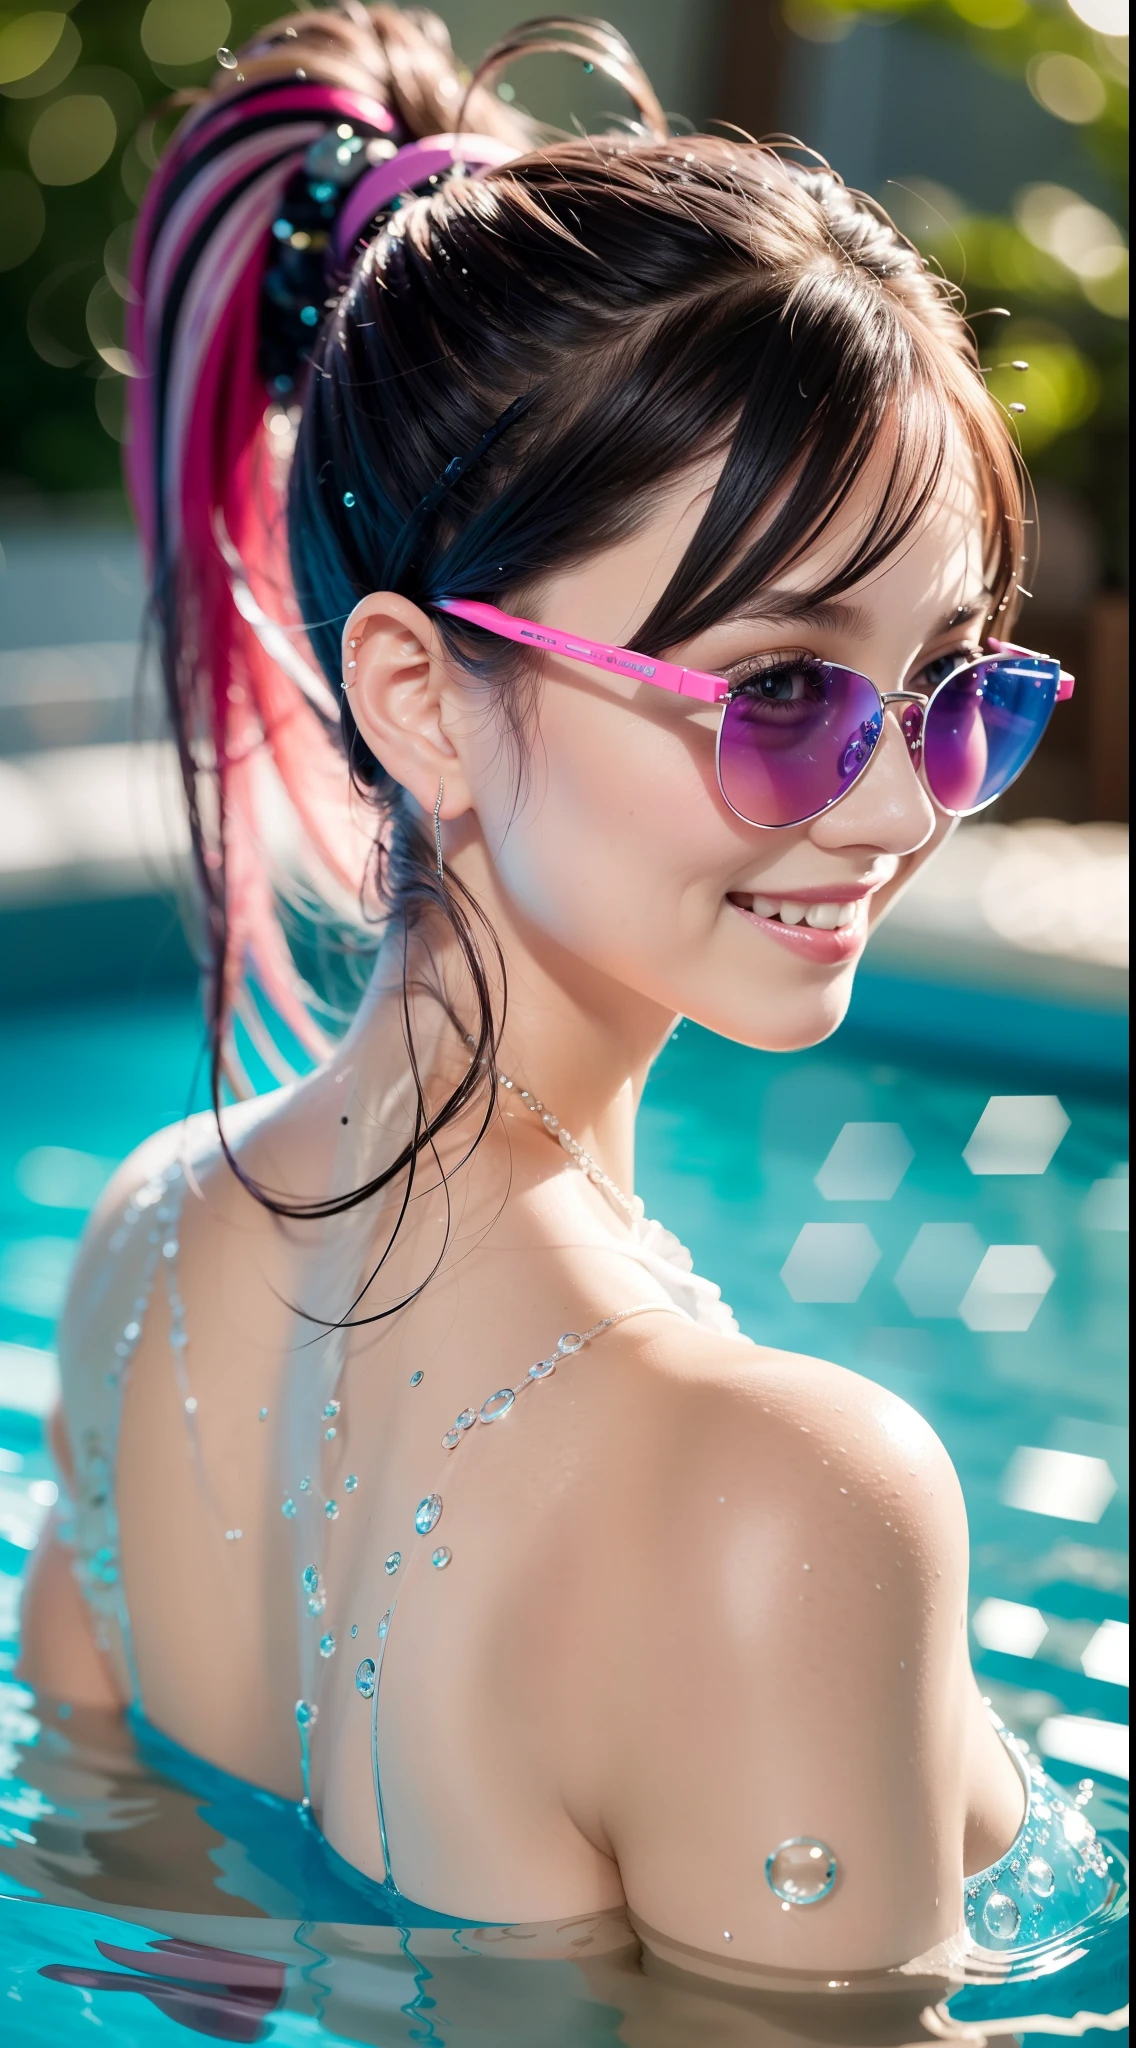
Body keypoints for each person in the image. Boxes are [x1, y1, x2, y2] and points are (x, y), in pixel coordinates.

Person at [19, 7, 1110, 1974]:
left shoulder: (138, 1245)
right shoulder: (788, 1487)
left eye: (952, 685)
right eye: (780, 690)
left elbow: (142, 1911)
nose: (892, 802)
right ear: (423, 698)